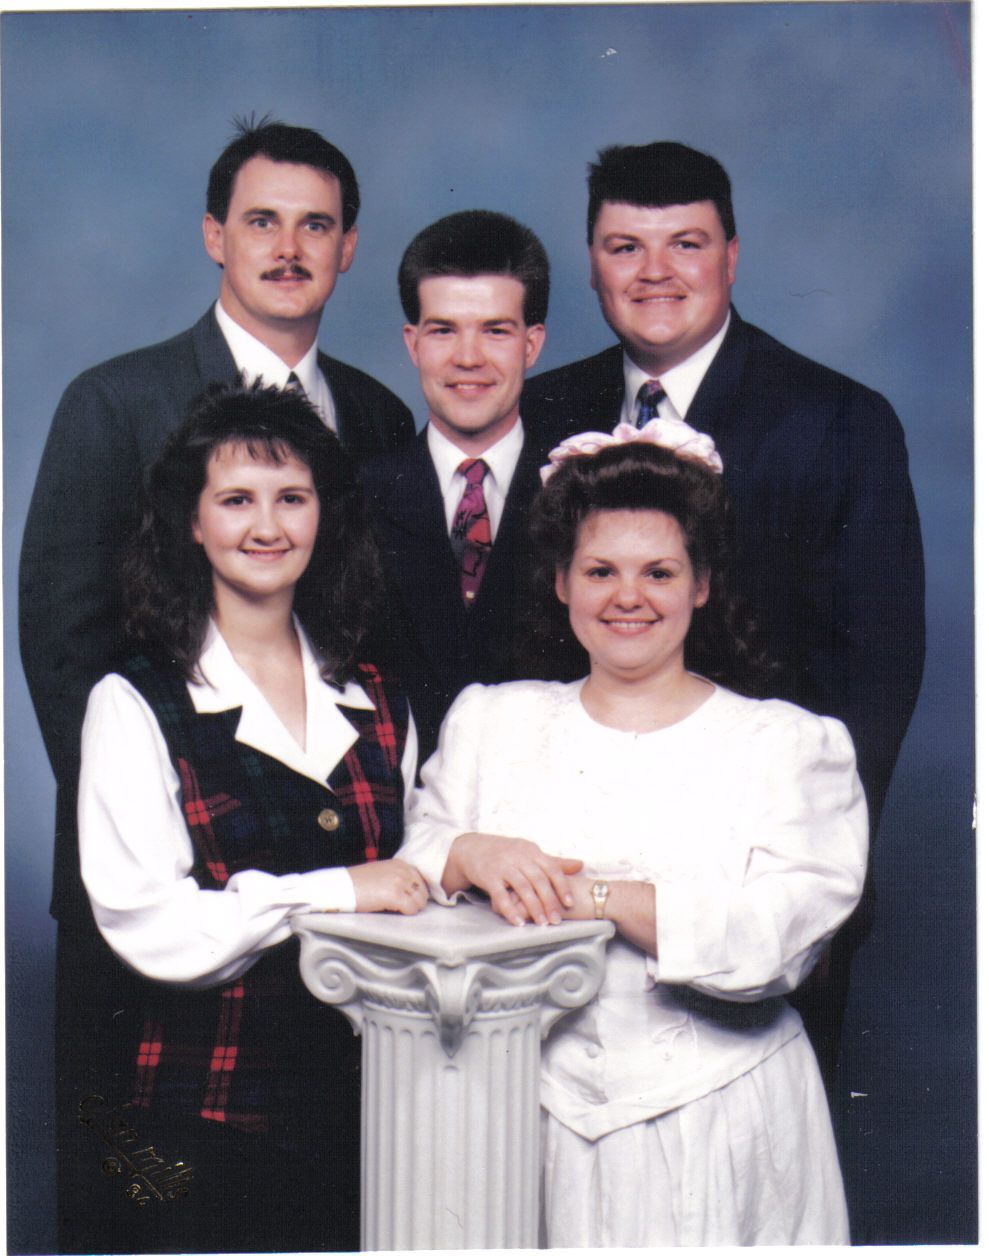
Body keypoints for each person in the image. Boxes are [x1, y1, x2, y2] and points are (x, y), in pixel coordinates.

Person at [400, 419, 868, 1247]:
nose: (628, 597)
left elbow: (769, 947)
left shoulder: (787, 746)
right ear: (560, 583)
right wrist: (468, 852)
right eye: (599, 571)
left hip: (716, 1113)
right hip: (520, 1117)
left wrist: (594, 897)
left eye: (658, 572)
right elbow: (414, 862)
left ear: (701, 586)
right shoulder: (492, 720)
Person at [21, 116, 414, 930]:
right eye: (261, 220)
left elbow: (373, 638)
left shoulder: (376, 414)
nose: (289, 247)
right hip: (169, 863)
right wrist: (153, 828)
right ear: (214, 235)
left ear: (347, 248)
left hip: (352, 871)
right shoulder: (114, 402)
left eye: (316, 225)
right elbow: (65, 647)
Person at [67, 383, 427, 1255]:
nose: (266, 527)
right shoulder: (134, 700)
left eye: (290, 498)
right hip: (197, 1128)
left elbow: (415, 892)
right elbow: (152, 927)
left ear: (322, 516)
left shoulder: (376, 695)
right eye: (236, 500)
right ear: (192, 523)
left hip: (374, 1117)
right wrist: (341, 888)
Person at [521, 141, 924, 831]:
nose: (654, 273)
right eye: (623, 248)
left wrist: (804, 869)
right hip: (562, 843)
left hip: (754, 845)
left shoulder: (837, 422)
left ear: (730, 258)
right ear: (591, 264)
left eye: (685, 244)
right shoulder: (539, 411)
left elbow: (870, 680)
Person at [361, 209, 564, 764]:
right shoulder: (353, 500)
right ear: (412, 343)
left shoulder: (585, 493)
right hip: (397, 821)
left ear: (532, 343)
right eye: (443, 330)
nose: (468, 358)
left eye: (495, 330)